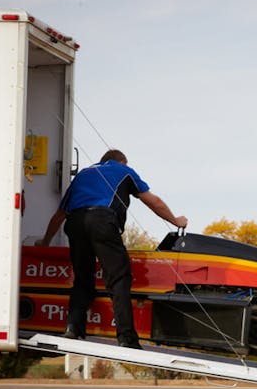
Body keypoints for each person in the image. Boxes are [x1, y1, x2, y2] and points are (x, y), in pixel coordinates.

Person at [36, 149, 188, 349]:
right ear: (122, 161)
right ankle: (126, 338)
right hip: (102, 221)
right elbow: (153, 201)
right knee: (118, 280)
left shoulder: (83, 174)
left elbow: (59, 215)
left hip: (75, 223)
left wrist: (45, 242)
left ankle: (73, 328)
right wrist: (175, 220)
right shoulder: (124, 170)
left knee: (82, 279)